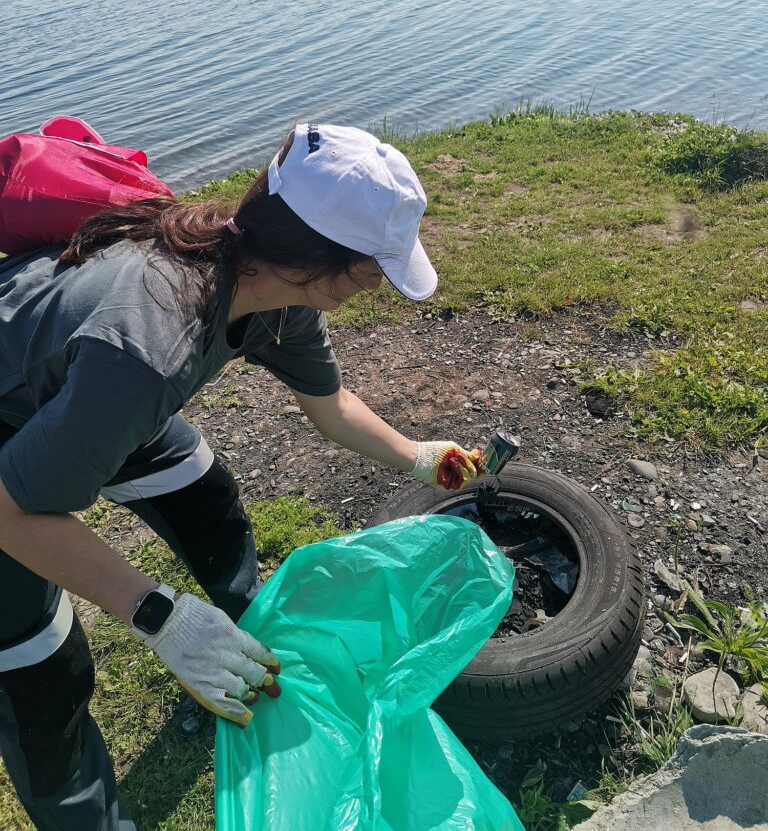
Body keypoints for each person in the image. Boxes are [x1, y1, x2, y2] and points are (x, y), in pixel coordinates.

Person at [0, 122, 483, 831]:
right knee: (45, 672)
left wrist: (415, 454)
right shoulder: (149, 348)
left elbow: (335, 407)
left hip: (72, 386)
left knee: (203, 495)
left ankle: (248, 638)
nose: (379, 283)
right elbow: (13, 513)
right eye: (372, 265)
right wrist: (158, 614)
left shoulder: (271, 287)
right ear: (315, 255)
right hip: (31, 426)